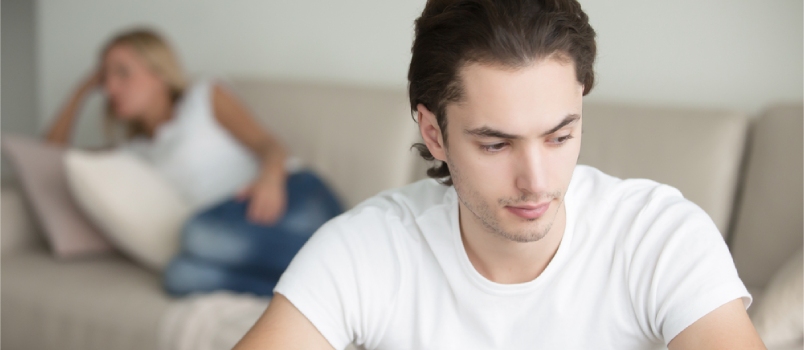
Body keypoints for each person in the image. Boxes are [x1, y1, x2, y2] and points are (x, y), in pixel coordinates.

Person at [234, 0, 766, 349]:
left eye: (560, 137)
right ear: (434, 132)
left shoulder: (658, 236)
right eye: (495, 143)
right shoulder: (368, 248)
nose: (537, 180)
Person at [45, 29, 343, 297]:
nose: (111, 88)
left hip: (289, 195)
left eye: (122, 73)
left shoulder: (204, 95)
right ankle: (318, 287)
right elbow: (50, 156)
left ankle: (329, 272)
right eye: (104, 78)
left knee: (194, 234)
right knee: (179, 276)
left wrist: (270, 179)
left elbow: (270, 144)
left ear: (159, 73)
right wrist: (81, 90)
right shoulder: (132, 151)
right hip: (230, 229)